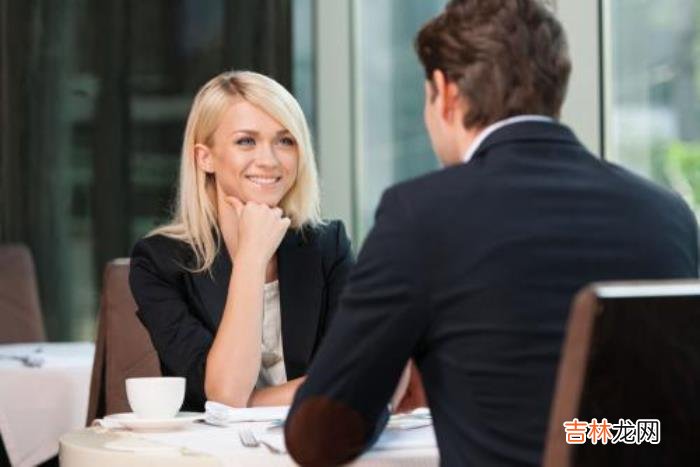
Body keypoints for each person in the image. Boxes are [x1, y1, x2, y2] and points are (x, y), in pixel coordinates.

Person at [285, 1, 700, 465]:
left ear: (444, 93)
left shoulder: (421, 213)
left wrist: (386, 382)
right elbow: (653, 423)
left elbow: (317, 438)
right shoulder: (668, 214)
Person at [129, 71, 353, 412]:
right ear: (205, 157)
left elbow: (355, 375)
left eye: (285, 141)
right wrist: (252, 257)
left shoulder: (327, 246)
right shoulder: (160, 262)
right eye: (246, 141)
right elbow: (227, 393)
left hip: (314, 446)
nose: (269, 160)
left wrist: (255, 402)